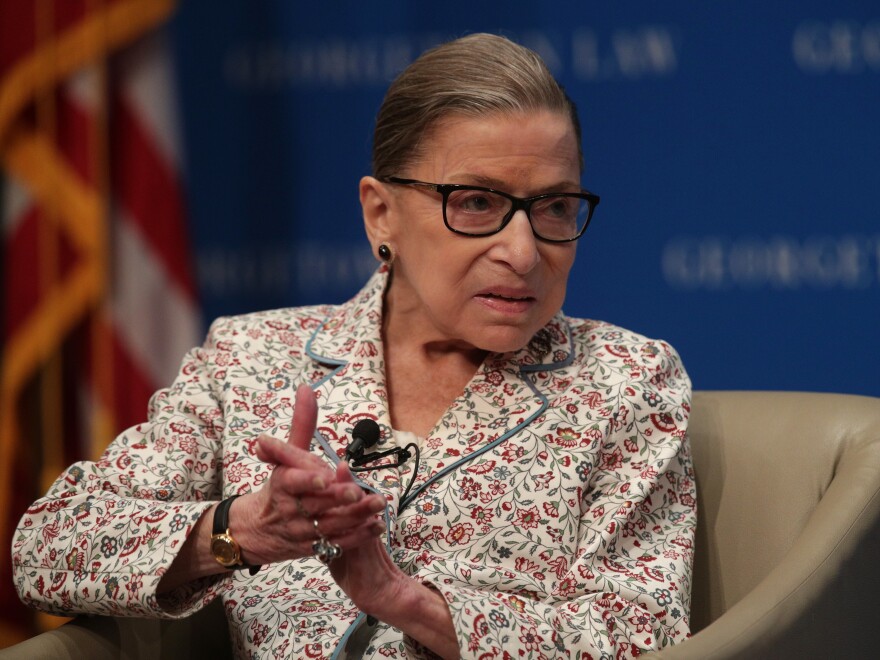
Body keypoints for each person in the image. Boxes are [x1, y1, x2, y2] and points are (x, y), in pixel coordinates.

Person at [11, 33, 696, 659]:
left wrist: (407, 603)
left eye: (553, 207)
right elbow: (46, 548)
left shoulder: (625, 380)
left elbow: (642, 633)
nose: (523, 252)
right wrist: (238, 531)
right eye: (478, 204)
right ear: (380, 213)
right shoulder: (251, 358)